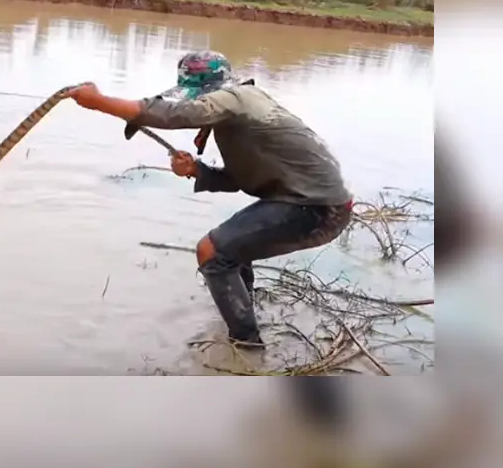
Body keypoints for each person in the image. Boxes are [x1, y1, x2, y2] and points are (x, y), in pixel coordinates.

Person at [66, 50, 354, 347]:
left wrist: (99, 102)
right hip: (309, 201)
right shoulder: (239, 115)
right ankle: (243, 316)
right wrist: (197, 170)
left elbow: (177, 114)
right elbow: (242, 179)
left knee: (211, 251)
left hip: (318, 207)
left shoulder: (238, 97)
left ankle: (246, 344)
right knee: (232, 248)